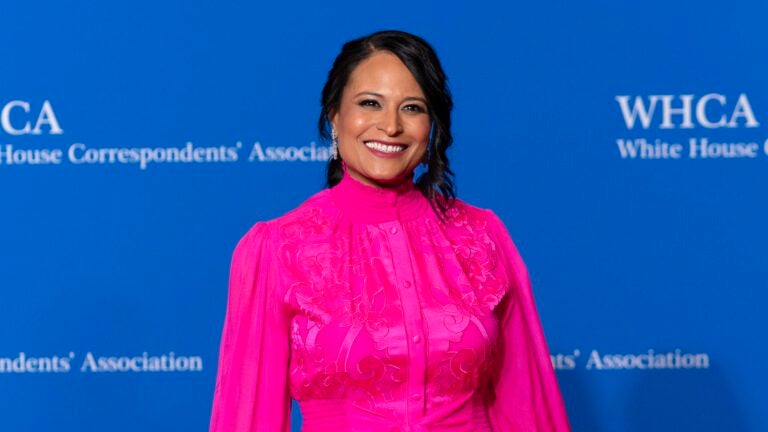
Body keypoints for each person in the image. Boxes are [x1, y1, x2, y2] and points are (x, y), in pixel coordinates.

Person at [209, 30, 570, 432]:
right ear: (335, 117)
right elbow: (248, 417)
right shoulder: (277, 248)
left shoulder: (482, 236)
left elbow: (526, 406)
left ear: (431, 125)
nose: (391, 126)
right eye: (370, 103)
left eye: (412, 108)